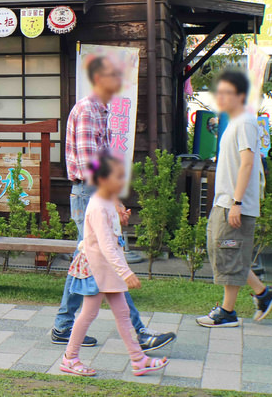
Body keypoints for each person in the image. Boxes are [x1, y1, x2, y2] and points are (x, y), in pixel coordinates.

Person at [51, 55, 175, 352]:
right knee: (104, 258)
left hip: (96, 194)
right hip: (88, 194)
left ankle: (63, 326)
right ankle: (139, 333)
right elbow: (89, 165)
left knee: (86, 260)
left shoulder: (102, 110)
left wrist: (117, 203)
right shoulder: (86, 111)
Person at [60, 154, 169, 377]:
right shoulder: (99, 205)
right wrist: (126, 272)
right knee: (88, 314)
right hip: (96, 270)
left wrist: (120, 221)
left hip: (107, 269)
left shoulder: (108, 201)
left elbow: (111, 236)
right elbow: (106, 245)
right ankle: (70, 358)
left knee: (122, 313)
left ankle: (139, 360)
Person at [196, 69, 272, 327]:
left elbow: (247, 164)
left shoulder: (245, 122)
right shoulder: (234, 121)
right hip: (225, 201)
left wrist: (237, 203)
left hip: (234, 203)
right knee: (224, 251)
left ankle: (227, 312)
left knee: (228, 252)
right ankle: (264, 295)